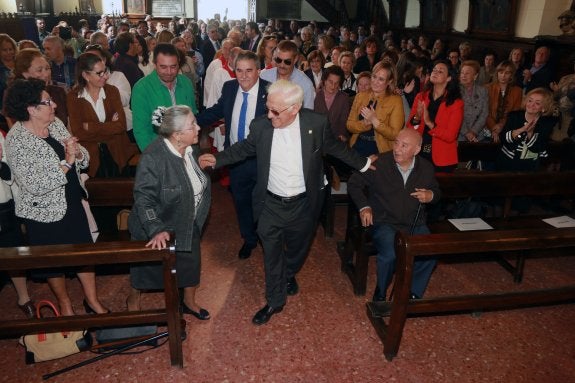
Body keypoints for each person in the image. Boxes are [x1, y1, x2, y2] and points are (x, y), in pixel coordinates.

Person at [198, 80, 375, 325]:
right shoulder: (261, 126)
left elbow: (335, 147)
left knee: (298, 249)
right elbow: (244, 148)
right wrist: (217, 160)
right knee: (271, 254)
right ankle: (274, 300)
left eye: (275, 110)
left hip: (304, 204)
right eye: (267, 108)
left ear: (295, 108)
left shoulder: (316, 123)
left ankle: (289, 273)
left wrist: (364, 163)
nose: (269, 115)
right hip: (270, 204)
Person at [4, 78, 108, 315]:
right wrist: (67, 163)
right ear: (31, 109)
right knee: (54, 263)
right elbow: (35, 185)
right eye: (47, 101)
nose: (54, 105)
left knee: (83, 253)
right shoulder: (17, 141)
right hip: (43, 212)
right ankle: (65, 304)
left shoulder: (56, 123)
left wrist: (78, 154)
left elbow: (81, 158)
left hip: (72, 201)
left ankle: (92, 301)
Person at [127, 105, 211, 319]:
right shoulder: (153, 158)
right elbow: (143, 199)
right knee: (147, 273)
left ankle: (189, 302)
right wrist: (155, 228)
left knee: (191, 265)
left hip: (186, 221)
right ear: (177, 135)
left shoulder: (190, 149)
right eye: (193, 124)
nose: (198, 127)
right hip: (160, 225)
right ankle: (133, 301)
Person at [348, 128, 440, 301]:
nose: (397, 149)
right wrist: (364, 206)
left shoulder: (426, 168)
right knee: (390, 254)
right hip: (385, 222)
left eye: (404, 145)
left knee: (431, 252)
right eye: (396, 142)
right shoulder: (380, 162)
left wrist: (431, 195)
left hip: (415, 222)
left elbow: (436, 191)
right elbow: (354, 183)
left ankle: (412, 293)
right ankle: (380, 293)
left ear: (417, 150)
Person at [196, 51, 269, 260]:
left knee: (263, 203)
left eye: (249, 70)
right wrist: (192, 121)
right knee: (241, 201)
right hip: (235, 159)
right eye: (239, 70)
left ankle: (266, 239)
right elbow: (216, 111)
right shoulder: (229, 88)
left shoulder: (270, 92)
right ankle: (249, 239)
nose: (243, 76)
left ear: (258, 70)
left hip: (262, 160)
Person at [67, 52, 136, 178]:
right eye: (99, 73)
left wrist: (91, 127)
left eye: (106, 71)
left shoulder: (112, 91)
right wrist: (110, 127)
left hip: (117, 154)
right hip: (91, 159)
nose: (105, 76)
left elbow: (121, 125)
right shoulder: (73, 97)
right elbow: (78, 133)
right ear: (85, 75)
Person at [132, 43, 198, 151]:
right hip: (159, 152)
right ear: (154, 64)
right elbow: (141, 131)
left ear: (179, 64)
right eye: (163, 67)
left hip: (187, 149)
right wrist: (153, 159)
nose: (169, 72)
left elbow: (193, 117)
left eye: (173, 66)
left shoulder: (186, 83)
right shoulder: (141, 89)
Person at [407, 60, 463, 172]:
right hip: (419, 153)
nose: (435, 72)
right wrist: (417, 117)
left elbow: (451, 135)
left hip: (442, 158)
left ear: (449, 78)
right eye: (434, 70)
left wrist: (430, 123)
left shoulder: (456, 103)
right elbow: (410, 127)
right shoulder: (421, 96)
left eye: (440, 71)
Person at [347, 61, 404, 156]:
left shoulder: (395, 100)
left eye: (381, 79)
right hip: (357, 145)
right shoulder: (360, 96)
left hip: (380, 150)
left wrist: (375, 121)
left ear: (389, 81)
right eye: (374, 76)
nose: (375, 82)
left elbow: (395, 134)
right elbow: (349, 125)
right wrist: (364, 123)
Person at [496, 88, 557, 172]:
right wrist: (520, 130)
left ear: (544, 108)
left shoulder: (546, 123)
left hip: (531, 167)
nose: (532, 105)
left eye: (537, 103)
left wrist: (530, 133)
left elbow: (539, 149)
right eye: (530, 101)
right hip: (507, 164)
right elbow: (502, 138)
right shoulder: (514, 116)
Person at [9, 48, 68, 127]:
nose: (46, 74)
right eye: (39, 70)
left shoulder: (58, 92)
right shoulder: (17, 99)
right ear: (25, 74)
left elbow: (68, 124)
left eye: (47, 68)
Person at [260, 40, 315, 109]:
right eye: (278, 60)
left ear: (295, 59)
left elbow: (308, 113)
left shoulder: (305, 84)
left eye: (287, 62)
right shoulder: (264, 76)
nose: (282, 65)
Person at [485, 60, 523, 143]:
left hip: (507, 128)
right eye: (501, 72)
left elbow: (515, 113)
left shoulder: (518, 91)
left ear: (511, 75)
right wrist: (493, 127)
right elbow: (484, 111)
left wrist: (501, 125)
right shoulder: (487, 88)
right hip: (486, 128)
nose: (503, 76)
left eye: (507, 73)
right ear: (497, 73)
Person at [314, 65, 351, 142]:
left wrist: (340, 136)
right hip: (317, 138)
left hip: (336, 139)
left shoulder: (344, 98)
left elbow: (343, 121)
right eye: (330, 82)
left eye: (336, 83)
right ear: (324, 80)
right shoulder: (315, 96)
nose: (333, 86)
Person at [458, 60, 488, 142]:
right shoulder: (455, 91)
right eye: (462, 73)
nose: (463, 75)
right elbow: (456, 115)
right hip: (459, 135)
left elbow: (484, 113)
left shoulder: (483, 91)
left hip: (477, 135)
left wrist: (474, 131)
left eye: (467, 73)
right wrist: (467, 132)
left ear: (475, 76)